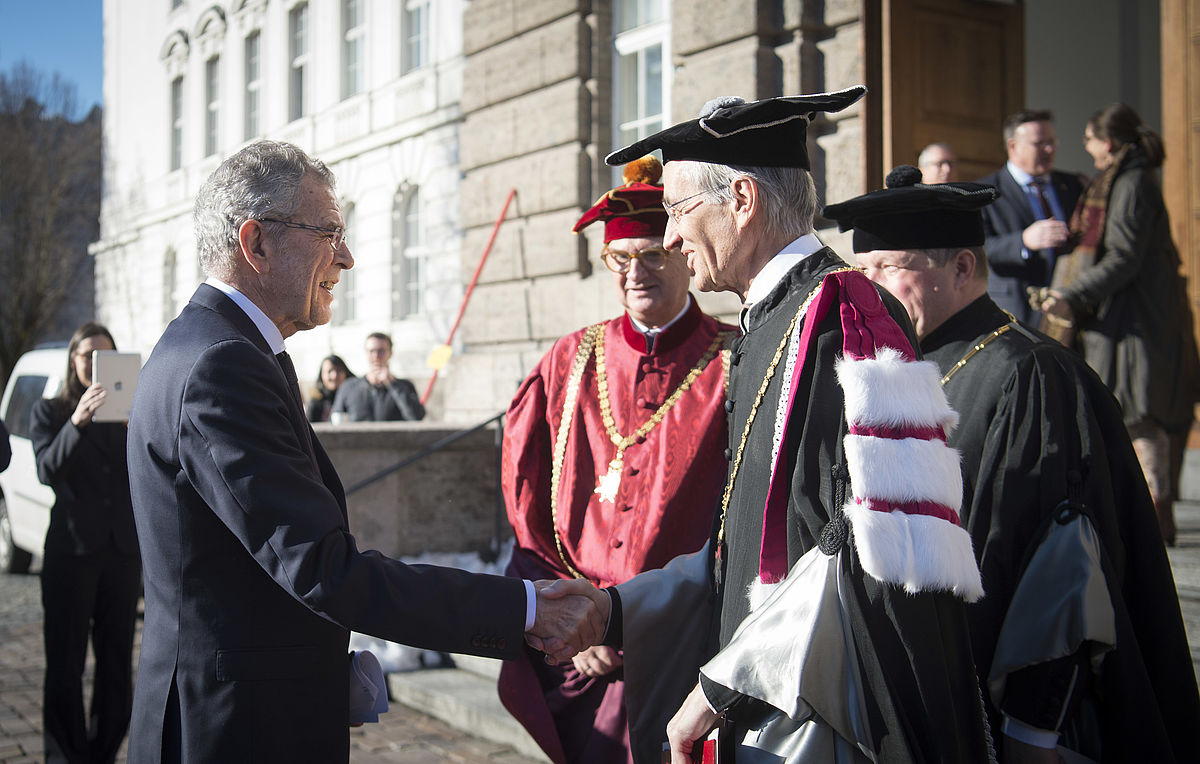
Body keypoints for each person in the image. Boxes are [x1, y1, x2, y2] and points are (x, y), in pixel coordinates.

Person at [125, 140, 605, 762]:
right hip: (231, 730)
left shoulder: (219, 346)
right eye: (328, 233)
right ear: (257, 243)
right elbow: (321, 570)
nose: (346, 258)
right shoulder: (223, 365)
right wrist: (525, 608)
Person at [591, 89, 992, 763]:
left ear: (741, 199)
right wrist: (615, 610)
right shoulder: (769, 319)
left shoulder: (851, 317)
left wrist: (725, 684)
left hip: (834, 718)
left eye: (677, 210)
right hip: (771, 698)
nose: (668, 238)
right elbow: (747, 540)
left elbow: (885, 547)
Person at [829, 164, 1200, 764]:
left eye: (890, 269)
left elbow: (1058, 565)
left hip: (1001, 713)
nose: (869, 290)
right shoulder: (898, 372)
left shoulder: (1029, 376)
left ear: (962, 267)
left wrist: (1033, 731)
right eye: (860, 273)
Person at [498, 156, 737, 764]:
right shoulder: (568, 361)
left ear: (683, 253)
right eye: (620, 259)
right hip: (580, 653)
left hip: (689, 643)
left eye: (653, 253)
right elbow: (526, 500)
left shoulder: (734, 361)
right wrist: (571, 623)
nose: (637, 273)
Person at [1036, 103, 1200, 545]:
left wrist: (1073, 292)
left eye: (1089, 140)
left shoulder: (1131, 183)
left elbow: (1125, 256)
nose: (1087, 150)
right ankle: (1148, 520)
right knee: (1134, 411)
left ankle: (1154, 519)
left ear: (1107, 142)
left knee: (1140, 412)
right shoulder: (1125, 179)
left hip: (1137, 320)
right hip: (1128, 315)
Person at [30, 321, 141, 763]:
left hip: (120, 553)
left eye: (105, 356)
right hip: (71, 553)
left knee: (116, 664)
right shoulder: (51, 412)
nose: (95, 366)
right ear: (73, 361)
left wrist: (140, 424)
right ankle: (64, 755)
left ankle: (104, 752)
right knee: (65, 663)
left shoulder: (129, 411)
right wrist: (77, 421)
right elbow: (46, 471)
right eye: (87, 357)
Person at [977, 110, 1085, 323]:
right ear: (1013, 146)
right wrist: (1024, 241)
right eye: (1039, 143)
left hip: (1068, 308)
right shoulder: (985, 192)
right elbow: (980, 248)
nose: (1049, 149)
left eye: (1052, 142)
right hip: (1016, 311)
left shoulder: (1073, 185)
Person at [331, 332, 425, 421]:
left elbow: (416, 417)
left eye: (381, 351)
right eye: (371, 351)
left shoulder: (405, 386)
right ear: (366, 353)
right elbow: (336, 421)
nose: (376, 356)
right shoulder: (349, 387)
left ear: (390, 353)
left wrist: (392, 384)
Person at [306, 354, 355, 422]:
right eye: (329, 371)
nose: (334, 376)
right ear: (322, 375)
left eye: (339, 370)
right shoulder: (315, 402)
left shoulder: (354, 397)